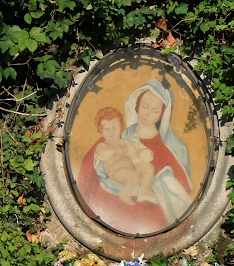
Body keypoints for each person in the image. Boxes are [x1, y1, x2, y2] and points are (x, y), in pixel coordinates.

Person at [76, 80, 191, 235]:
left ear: (162, 115)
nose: (147, 114)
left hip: (151, 220)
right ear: (136, 105)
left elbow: (183, 190)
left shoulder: (174, 148)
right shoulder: (118, 137)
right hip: (113, 214)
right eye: (144, 106)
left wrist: (156, 182)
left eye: (155, 110)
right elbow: (87, 175)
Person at [94, 107, 157, 205]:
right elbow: (103, 155)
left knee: (149, 167)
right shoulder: (103, 145)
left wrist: (144, 153)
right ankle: (125, 195)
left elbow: (135, 156)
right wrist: (114, 150)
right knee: (133, 176)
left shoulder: (126, 142)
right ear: (101, 130)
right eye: (107, 129)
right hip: (116, 172)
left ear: (120, 127)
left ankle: (145, 189)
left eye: (114, 128)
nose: (111, 133)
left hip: (132, 168)